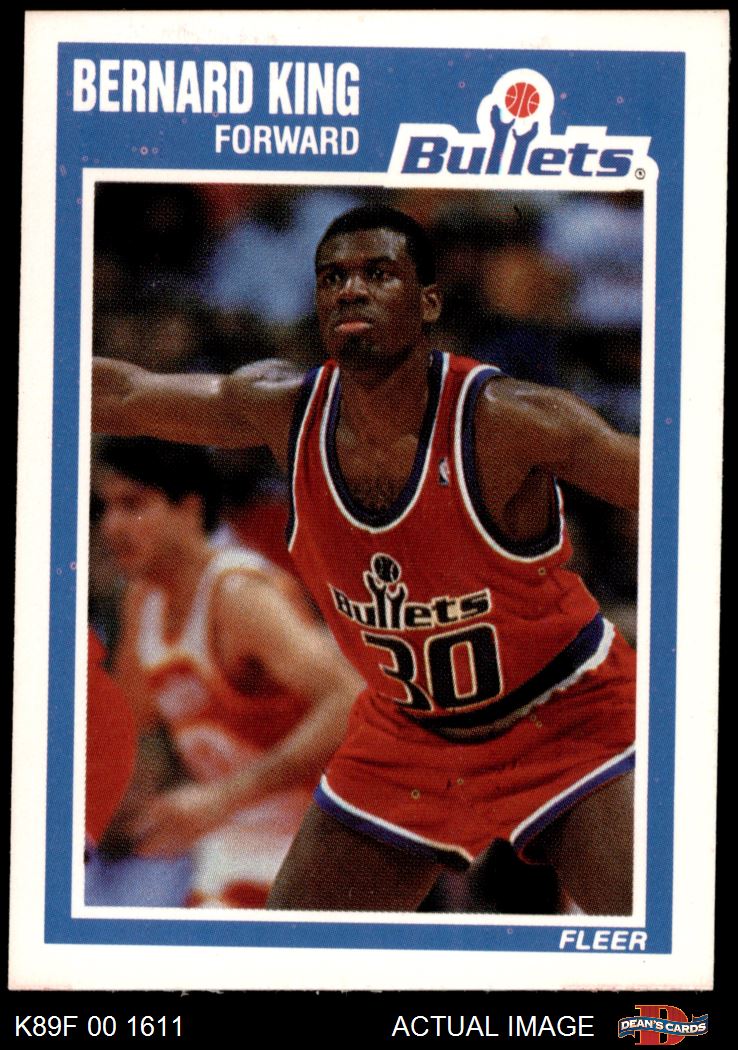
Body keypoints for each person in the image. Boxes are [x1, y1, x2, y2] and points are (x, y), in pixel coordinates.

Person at [93, 205, 638, 914]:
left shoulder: (511, 419)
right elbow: (123, 393)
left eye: (379, 273)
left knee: (651, 937)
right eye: (334, 277)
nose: (351, 289)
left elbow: (678, 489)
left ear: (429, 302)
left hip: (560, 713)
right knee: (290, 953)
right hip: (410, 733)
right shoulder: (282, 409)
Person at [93, 437, 362, 907]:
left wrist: (222, 797)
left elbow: (351, 699)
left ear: (189, 508)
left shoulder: (238, 594)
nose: (111, 526)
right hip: (233, 840)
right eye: (105, 507)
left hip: (313, 838)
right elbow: (130, 723)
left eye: (132, 504)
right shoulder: (143, 600)